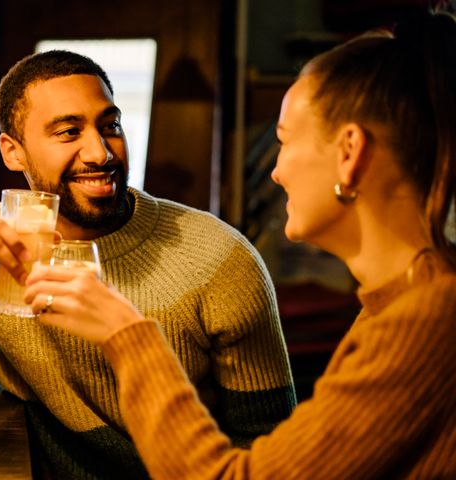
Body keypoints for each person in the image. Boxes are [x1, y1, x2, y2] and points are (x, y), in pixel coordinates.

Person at [23, 11, 456, 479]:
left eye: (285, 141)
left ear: (349, 153)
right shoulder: (396, 302)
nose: (276, 171)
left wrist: (126, 335)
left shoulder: (429, 315)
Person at [0, 50, 296, 478]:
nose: (100, 152)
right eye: (68, 132)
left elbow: (272, 455)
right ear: (12, 151)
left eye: (110, 126)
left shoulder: (221, 259)